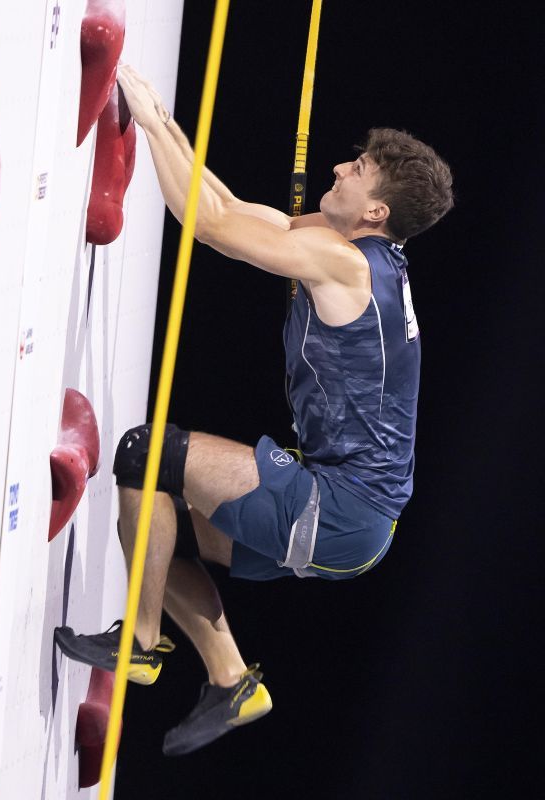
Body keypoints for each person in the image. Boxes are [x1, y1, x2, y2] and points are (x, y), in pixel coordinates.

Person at [55, 65, 454, 756]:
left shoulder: (345, 264)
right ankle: (232, 681)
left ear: (377, 211)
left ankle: (142, 645)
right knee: (163, 531)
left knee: (148, 458)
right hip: (356, 515)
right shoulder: (360, 254)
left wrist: (149, 123)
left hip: (344, 507)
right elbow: (229, 205)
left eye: (355, 168)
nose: (338, 167)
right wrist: (163, 120)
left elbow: (207, 227)